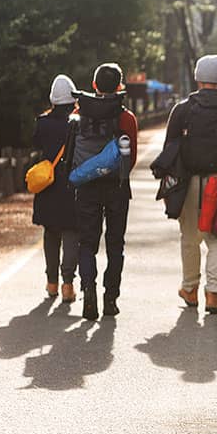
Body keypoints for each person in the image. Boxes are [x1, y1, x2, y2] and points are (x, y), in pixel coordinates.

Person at [161, 54, 217, 315]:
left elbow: (169, 150)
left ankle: (190, 288)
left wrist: (169, 188)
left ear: (198, 77)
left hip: (188, 183)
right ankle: (213, 292)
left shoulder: (182, 110)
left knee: (190, 237)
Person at [71, 63, 138, 321]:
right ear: (120, 86)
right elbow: (129, 158)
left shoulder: (79, 114)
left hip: (87, 187)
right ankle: (110, 299)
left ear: (94, 85)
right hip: (117, 188)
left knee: (87, 243)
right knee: (115, 244)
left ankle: (88, 292)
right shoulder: (126, 118)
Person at [32, 75, 79, 302]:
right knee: (71, 233)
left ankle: (51, 283)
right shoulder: (78, 124)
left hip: (48, 185)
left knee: (51, 234)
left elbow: (36, 144)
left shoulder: (42, 123)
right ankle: (67, 284)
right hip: (72, 184)